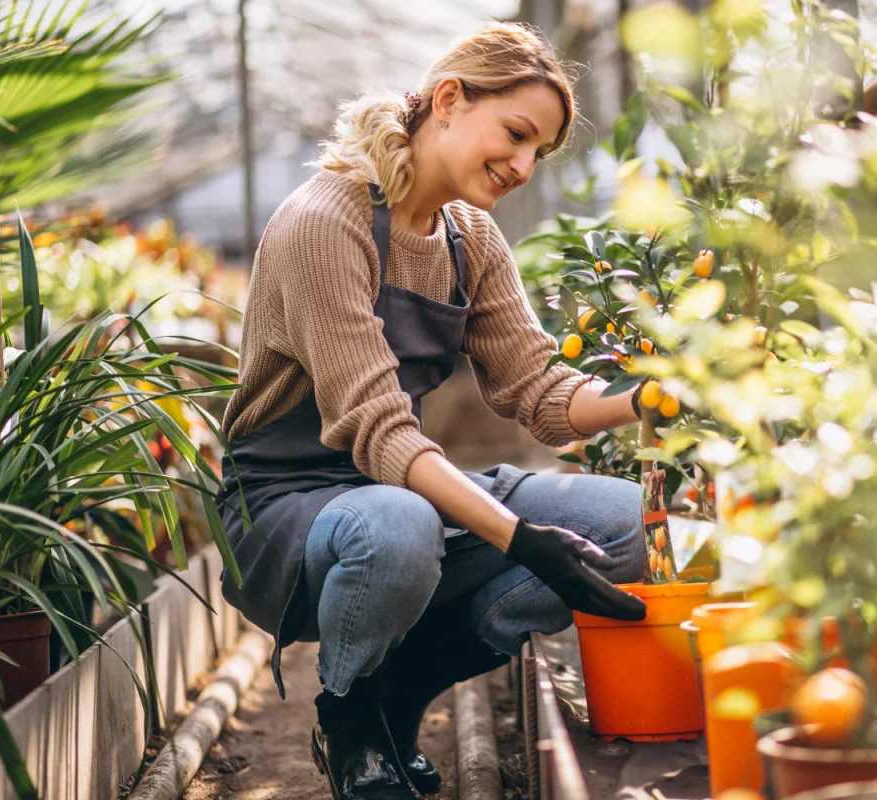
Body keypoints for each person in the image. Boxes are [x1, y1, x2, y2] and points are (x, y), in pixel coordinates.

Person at [217, 21, 661, 800]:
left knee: (618, 524)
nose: (524, 166)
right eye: (516, 134)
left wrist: (654, 398)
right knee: (398, 525)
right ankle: (350, 719)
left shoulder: (471, 238)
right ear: (449, 100)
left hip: (398, 487)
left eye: (540, 153)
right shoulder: (327, 222)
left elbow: (542, 393)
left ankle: (398, 697)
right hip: (286, 507)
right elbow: (383, 434)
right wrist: (520, 538)